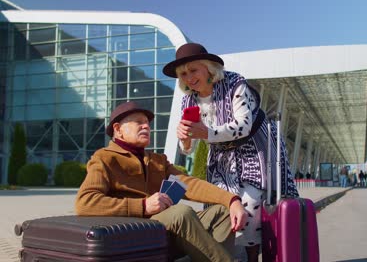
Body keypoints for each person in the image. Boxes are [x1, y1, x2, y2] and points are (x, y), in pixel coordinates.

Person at [163, 42, 299, 262]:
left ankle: (253, 258)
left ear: (209, 68)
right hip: (221, 156)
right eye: (183, 74)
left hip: (255, 149)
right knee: (220, 204)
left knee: (250, 205)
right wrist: (185, 138)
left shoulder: (236, 84)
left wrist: (206, 132)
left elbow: (243, 126)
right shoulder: (189, 99)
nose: (188, 78)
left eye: (193, 70)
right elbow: (187, 150)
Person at [75, 101, 249, 262]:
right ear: (118, 129)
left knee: (222, 212)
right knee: (180, 213)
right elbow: (85, 202)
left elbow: (188, 184)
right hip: (133, 231)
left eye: (148, 123)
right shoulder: (104, 158)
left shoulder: (157, 160)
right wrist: (142, 206)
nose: (146, 126)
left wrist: (231, 200)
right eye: (138, 122)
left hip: (162, 228)